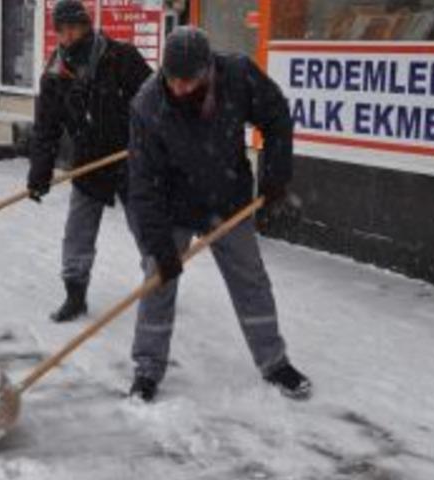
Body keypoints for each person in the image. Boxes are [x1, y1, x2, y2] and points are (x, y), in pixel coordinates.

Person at [127, 27, 312, 402]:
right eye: (172, 79)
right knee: (157, 281)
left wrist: (275, 176)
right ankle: (147, 369)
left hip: (227, 201)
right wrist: (159, 245)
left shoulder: (238, 75)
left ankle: (274, 362)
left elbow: (276, 117)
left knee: (250, 281)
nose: (178, 89)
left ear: (207, 69)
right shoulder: (147, 105)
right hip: (172, 206)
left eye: (188, 80)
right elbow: (143, 184)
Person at [27, 0, 153, 323]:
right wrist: (39, 174)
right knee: (78, 232)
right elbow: (46, 129)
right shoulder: (55, 75)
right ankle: (75, 294)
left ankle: (159, 285)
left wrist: (149, 144)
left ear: (86, 26)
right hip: (89, 160)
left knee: (146, 226)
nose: (68, 36)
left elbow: (154, 103)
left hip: (130, 156)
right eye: (62, 30)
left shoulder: (119, 57)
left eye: (74, 28)